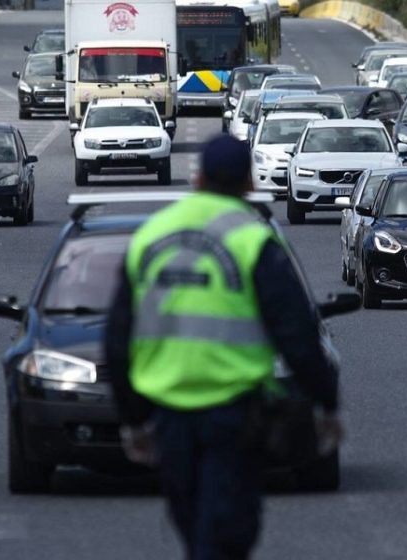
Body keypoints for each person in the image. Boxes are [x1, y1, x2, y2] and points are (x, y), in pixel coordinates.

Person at [105, 135, 342, 560]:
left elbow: (118, 336)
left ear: (197, 178)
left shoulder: (150, 235)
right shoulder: (253, 239)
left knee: (194, 526)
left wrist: (131, 419)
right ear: (249, 182)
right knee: (226, 531)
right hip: (234, 414)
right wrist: (325, 403)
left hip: (168, 411)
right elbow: (297, 333)